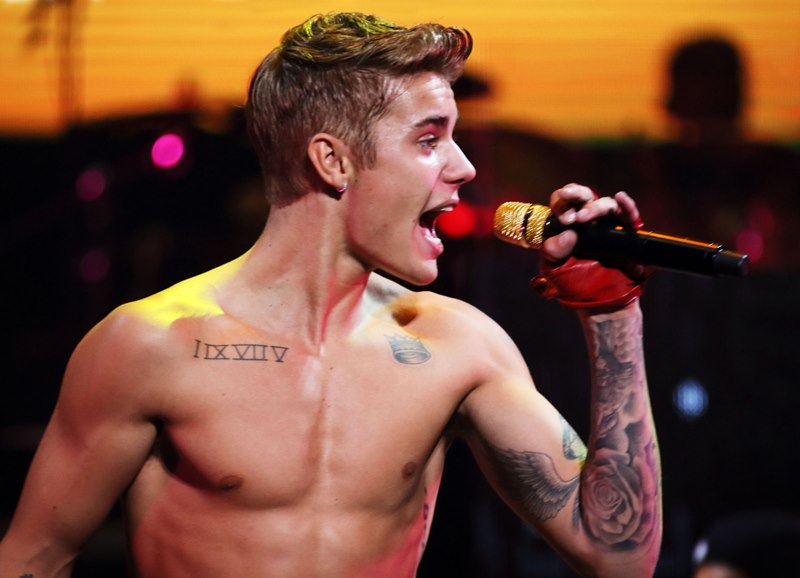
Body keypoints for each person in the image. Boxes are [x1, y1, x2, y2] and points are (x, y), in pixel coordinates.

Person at [0, 12, 662, 577]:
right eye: (429, 139)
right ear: (334, 161)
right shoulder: (149, 346)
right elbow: (32, 558)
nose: (464, 168)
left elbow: (620, 558)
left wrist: (613, 314)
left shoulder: (460, 348)